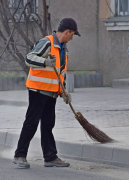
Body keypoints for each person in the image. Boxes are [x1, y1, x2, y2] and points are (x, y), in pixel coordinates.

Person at [13, 18, 81, 168]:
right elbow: (29, 58)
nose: (72, 37)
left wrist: (63, 91)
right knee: (31, 123)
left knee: (48, 124)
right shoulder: (47, 43)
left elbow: (60, 73)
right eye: (73, 34)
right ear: (67, 32)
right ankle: (20, 155)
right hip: (38, 90)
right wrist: (44, 62)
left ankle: (50, 157)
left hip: (51, 93)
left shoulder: (63, 49)